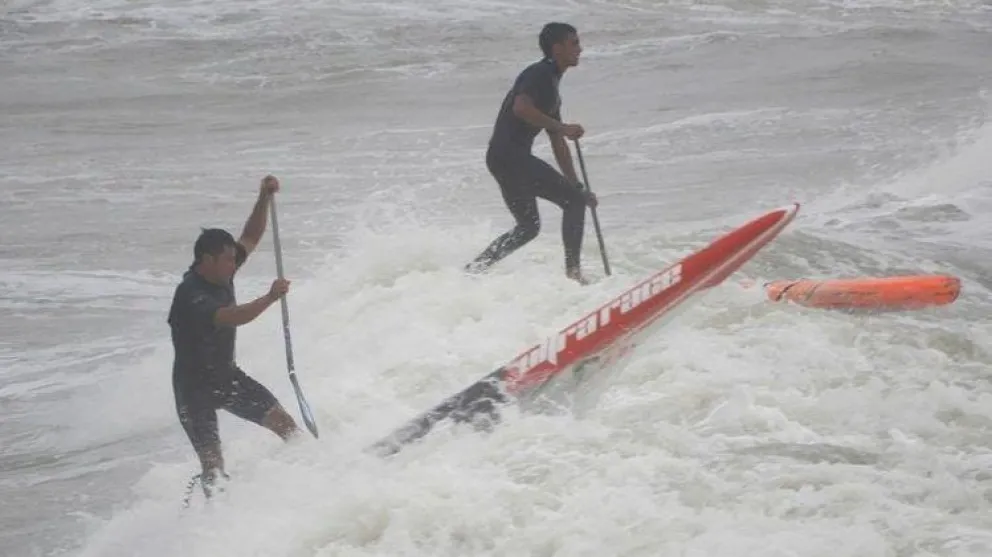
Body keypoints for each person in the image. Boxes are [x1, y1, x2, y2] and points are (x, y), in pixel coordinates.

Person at [167, 175, 301, 498]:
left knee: (286, 426)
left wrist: (264, 198)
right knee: (213, 466)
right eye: (227, 260)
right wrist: (270, 298)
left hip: (227, 378)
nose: (234, 264)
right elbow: (233, 317)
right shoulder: (191, 294)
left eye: (232, 258)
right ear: (206, 260)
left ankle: (308, 484)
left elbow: (251, 235)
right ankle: (213, 524)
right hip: (193, 390)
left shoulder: (222, 269)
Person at [465, 22, 598, 284]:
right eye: (574, 43)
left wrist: (577, 185)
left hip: (501, 158)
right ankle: (574, 274)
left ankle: (473, 270)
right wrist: (562, 126)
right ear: (557, 48)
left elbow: (558, 141)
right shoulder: (539, 74)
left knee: (529, 228)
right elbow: (521, 109)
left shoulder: (551, 87)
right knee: (572, 203)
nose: (580, 49)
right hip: (510, 157)